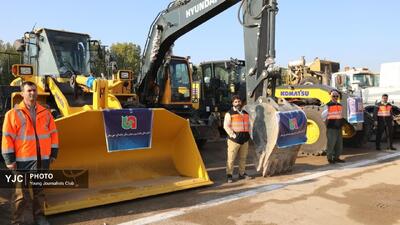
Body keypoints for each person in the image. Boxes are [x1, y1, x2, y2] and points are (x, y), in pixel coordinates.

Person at [2, 81, 59, 225]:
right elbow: (7, 138)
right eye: (29, 91)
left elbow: (53, 134)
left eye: (34, 90)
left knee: (39, 191)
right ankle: (18, 221)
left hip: (41, 160)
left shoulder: (45, 113)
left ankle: (40, 217)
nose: (32, 93)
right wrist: (9, 159)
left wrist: (53, 153)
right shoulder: (12, 114)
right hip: (21, 162)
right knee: (20, 195)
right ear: (22, 93)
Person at [223, 95, 252, 183]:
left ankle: (242, 173)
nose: (238, 103)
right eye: (236, 102)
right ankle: (229, 175)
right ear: (233, 103)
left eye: (239, 101)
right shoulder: (229, 113)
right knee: (231, 158)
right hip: (234, 140)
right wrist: (233, 135)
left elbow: (249, 125)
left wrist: (249, 135)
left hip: (245, 139)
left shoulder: (246, 113)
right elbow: (226, 126)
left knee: (243, 158)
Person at [323, 90, 346, 164]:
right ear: (331, 96)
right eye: (334, 96)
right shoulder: (327, 105)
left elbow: (341, 115)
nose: (335, 97)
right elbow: (323, 116)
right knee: (331, 144)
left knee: (339, 145)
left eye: (336, 96)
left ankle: (337, 157)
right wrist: (326, 124)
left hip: (339, 128)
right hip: (331, 128)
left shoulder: (339, 105)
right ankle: (330, 158)